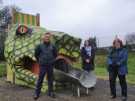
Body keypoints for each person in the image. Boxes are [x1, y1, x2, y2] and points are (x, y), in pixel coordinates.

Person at [34, 32, 57, 100]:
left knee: (50, 79)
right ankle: (37, 93)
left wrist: (52, 60)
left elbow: (55, 54)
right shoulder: (39, 46)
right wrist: (40, 61)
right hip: (43, 65)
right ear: (43, 38)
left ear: (50, 38)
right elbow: (36, 54)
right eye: (46, 37)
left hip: (50, 65)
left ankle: (50, 92)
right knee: (40, 79)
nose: (47, 38)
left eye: (48, 37)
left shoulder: (53, 46)